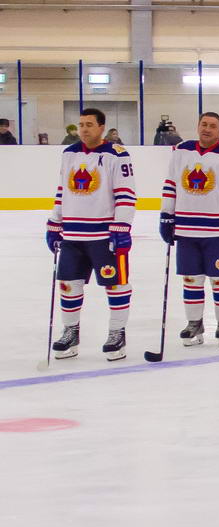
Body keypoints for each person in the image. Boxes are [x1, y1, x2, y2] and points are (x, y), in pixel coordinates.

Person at [44, 108, 134, 361]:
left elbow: (126, 194)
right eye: (81, 124)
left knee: (115, 284)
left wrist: (121, 227)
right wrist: (54, 223)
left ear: (101, 127)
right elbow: (62, 190)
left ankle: (117, 333)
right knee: (68, 285)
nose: (84, 129)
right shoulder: (69, 153)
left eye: (89, 124)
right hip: (73, 234)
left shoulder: (116, 154)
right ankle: (71, 332)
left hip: (104, 235)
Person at [157, 113, 219, 347]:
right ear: (198, 126)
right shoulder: (182, 151)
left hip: (217, 231)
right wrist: (167, 215)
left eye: (212, 126)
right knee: (191, 280)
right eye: (204, 125)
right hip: (186, 229)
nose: (207, 129)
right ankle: (194, 323)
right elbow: (171, 184)